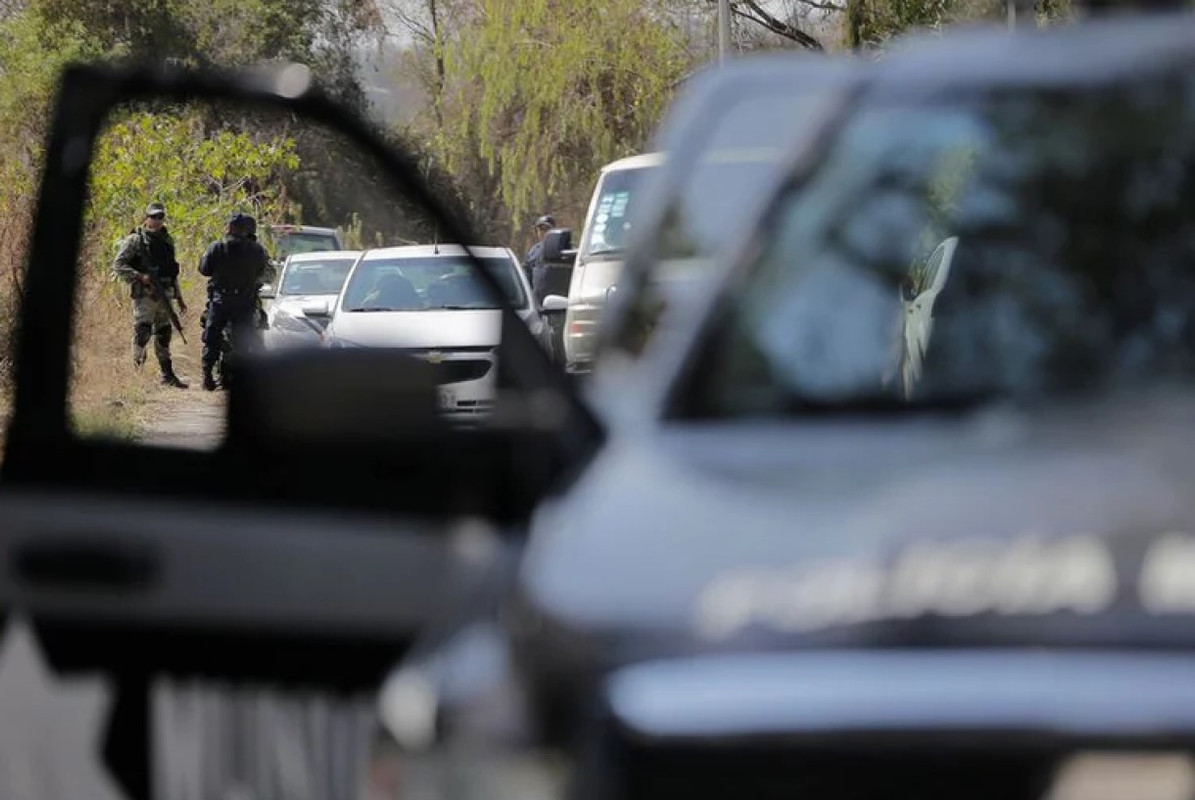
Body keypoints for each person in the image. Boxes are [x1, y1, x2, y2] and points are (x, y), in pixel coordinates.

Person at [111, 202, 189, 388]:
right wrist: (139, 276)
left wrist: (180, 298)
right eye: (153, 217)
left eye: (160, 217)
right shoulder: (135, 240)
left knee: (164, 334)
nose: (157, 220)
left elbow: (172, 272)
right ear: (146, 218)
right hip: (145, 295)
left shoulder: (167, 240)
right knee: (143, 333)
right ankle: (137, 374)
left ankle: (167, 375)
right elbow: (118, 265)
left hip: (166, 293)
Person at [198, 212, 271, 391]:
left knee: (212, 337)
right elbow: (264, 272)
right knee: (242, 340)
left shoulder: (216, 247)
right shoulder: (257, 250)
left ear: (228, 228)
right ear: (246, 230)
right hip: (244, 301)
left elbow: (204, 269)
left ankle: (207, 376)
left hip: (220, 300)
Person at [524, 214, 555, 303]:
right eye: (540, 229)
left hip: (555, 302)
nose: (543, 232)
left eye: (547, 229)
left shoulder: (560, 249)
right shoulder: (533, 251)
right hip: (536, 302)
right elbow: (527, 274)